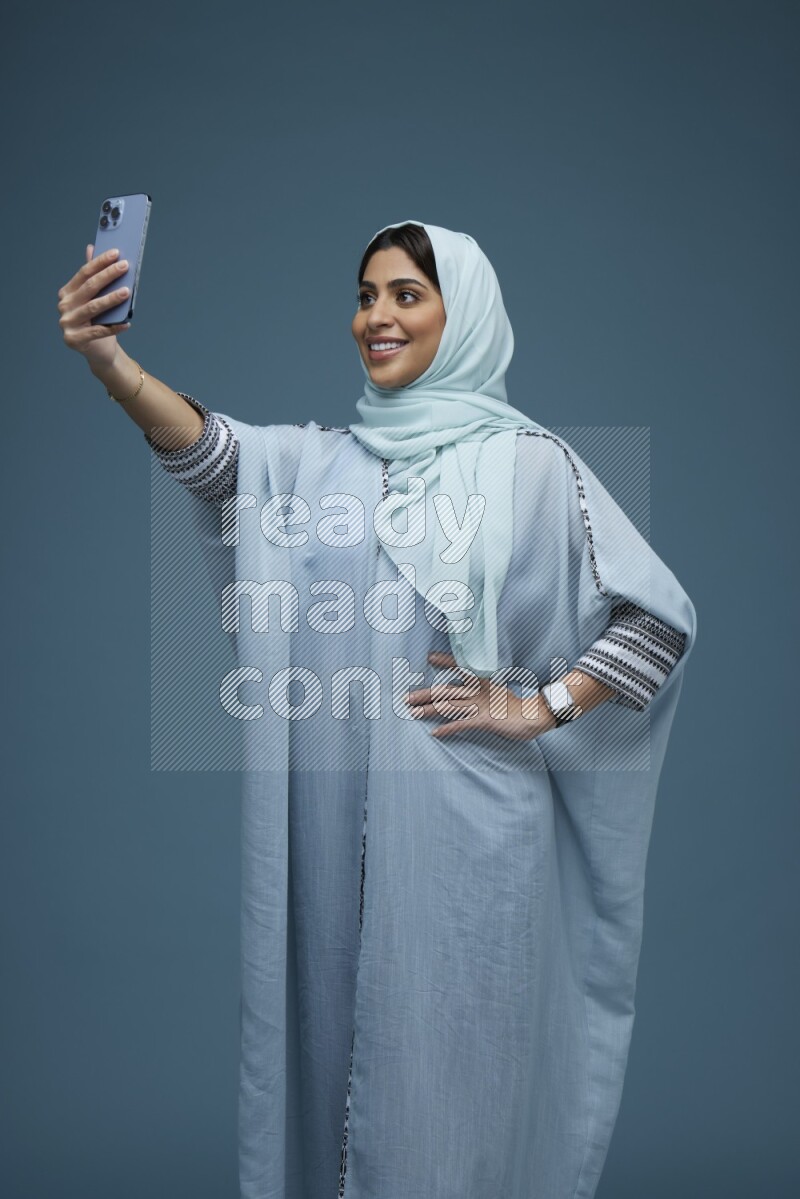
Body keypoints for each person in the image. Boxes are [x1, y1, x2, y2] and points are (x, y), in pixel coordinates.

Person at [58, 220, 697, 1199]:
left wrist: (539, 705)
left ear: (463, 313)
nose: (376, 317)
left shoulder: (530, 466)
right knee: (335, 1083)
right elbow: (218, 459)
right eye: (366, 295)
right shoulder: (332, 468)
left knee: (455, 1096)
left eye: (407, 294)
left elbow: (657, 619)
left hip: (471, 851)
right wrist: (109, 361)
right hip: (331, 846)